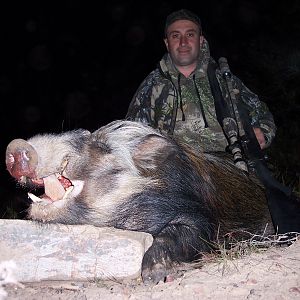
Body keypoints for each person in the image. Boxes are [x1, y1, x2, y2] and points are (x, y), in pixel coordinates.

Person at [126, 8, 276, 157]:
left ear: (201, 40)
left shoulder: (225, 80)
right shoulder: (151, 85)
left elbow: (261, 112)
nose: (183, 42)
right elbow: (131, 135)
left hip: (230, 167)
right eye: (175, 36)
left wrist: (262, 131)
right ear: (167, 43)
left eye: (190, 34)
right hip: (175, 171)